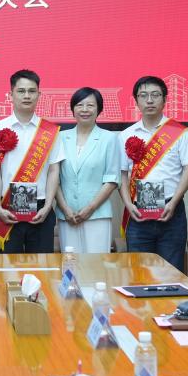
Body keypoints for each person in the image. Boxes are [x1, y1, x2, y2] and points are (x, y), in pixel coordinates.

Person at [118, 75, 188, 271]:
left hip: (171, 211)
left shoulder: (180, 132)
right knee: (139, 272)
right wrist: (128, 204)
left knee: (171, 272)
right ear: (136, 100)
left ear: (165, 99)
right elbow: (121, 174)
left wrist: (174, 202)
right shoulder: (126, 135)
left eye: (155, 95)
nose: (149, 100)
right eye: (143, 95)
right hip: (137, 212)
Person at [0, 69, 64, 253]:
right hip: (6, 208)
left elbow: (54, 170)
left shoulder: (50, 131)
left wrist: (48, 206)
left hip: (41, 209)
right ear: (11, 95)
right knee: (5, 266)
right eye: (21, 91)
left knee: (41, 266)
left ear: (39, 95)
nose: (27, 96)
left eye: (32, 91)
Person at [55, 87, 120, 254]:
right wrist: (65, 209)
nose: (84, 110)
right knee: (70, 263)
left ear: (99, 109)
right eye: (79, 105)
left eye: (90, 105)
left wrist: (90, 208)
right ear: (72, 109)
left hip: (97, 214)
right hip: (67, 216)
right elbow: (54, 179)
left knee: (96, 263)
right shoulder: (60, 138)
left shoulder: (109, 138)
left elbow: (112, 179)